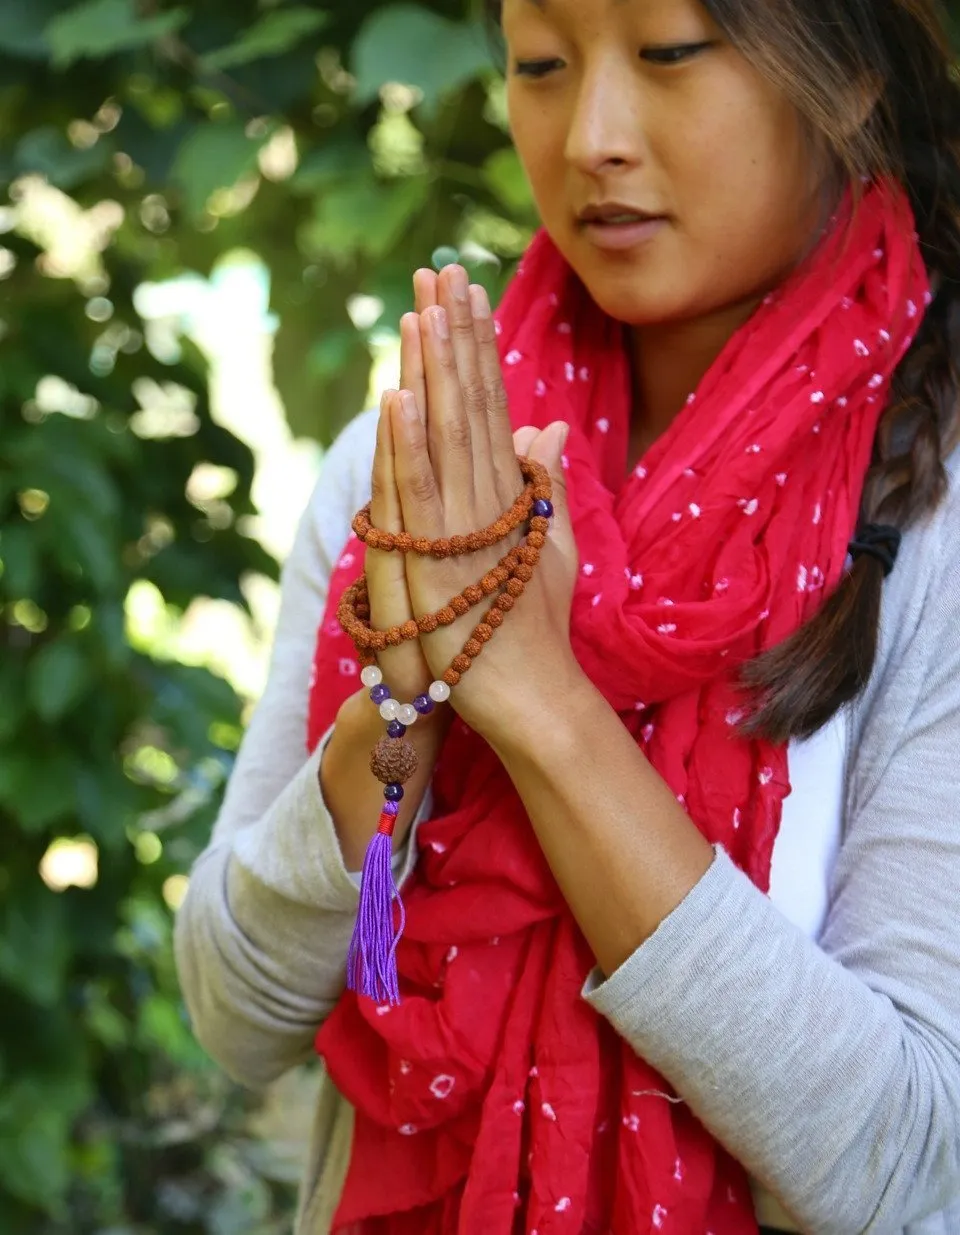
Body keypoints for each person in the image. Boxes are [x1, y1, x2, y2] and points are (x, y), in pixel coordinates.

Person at [174, 0, 960, 1230]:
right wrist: (402, 706)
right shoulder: (414, 471)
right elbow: (238, 1013)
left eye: (667, 55)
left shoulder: (936, 531)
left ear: (851, 71)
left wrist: (536, 697)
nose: (590, 133)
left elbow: (904, 1162)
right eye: (540, 64)